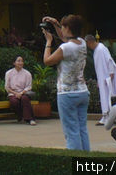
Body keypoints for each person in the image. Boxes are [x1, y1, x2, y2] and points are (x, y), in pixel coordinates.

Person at [42, 14, 90, 151]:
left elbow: (47, 61)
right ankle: (86, 161)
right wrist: (56, 23)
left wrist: (48, 42)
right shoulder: (82, 43)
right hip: (82, 91)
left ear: (68, 28)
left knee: (71, 132)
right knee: (82, 129)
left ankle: (75, 161)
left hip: (67, 94)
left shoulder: (65, 48)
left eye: (63, 27)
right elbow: (65, 38)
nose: (61, 30)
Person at [84, 35, 116, 125]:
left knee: (108, 96)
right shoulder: (97, 50)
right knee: (105, 96)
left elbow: (109, 60)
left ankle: (110, 117)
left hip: (107, 78)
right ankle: (106, 116)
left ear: (89, 42)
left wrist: (111, 73)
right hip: (103, 78)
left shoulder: (101, 48)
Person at [4, 55, 36, 125]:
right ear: (14, 63)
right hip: (13, 93)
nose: (20, 63)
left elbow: (29, 86)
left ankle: (29, 119)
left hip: (24, 93)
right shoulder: (8, 73)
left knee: (25, 99)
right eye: (18, 61)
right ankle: (20, 116)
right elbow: (7, 87)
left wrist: (21, 93)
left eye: (22, 61)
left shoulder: (27, 73)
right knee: (14, 102)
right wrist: (16, 93)